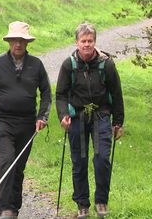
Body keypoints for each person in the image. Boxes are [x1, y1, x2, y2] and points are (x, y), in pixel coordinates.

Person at [0, 21, 51, 219]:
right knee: (7, 161)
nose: (17, 44)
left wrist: (42, 117)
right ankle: (5, 209)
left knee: (18, 167)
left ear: (27, 43)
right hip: (2, 120)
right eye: (14, 40)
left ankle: (14, 208)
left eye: (21, 40)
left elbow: (46, 93)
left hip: (28, 123)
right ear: (9, 41)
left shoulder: (36, 65)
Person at [55, 22, 124, 219]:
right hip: (77, 116)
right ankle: (82, 204)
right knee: (79, 161)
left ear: (95, 42)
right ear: (77, 42)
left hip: (101, 115)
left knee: (102, 158)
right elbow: (60, 94)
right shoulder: (69, 65)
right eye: (83, 41)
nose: (87, 44)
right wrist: (63, 115)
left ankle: (101, 201)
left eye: (90, 41)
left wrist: (118, 122)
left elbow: (116, 94)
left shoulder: (106, 64)